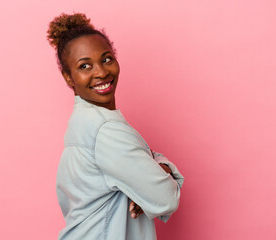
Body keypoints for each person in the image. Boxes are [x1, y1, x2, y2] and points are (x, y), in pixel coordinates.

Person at [47, 12, 184, 240]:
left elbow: (149, 187)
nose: (101, 72)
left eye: (106, 59)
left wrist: (145, 181)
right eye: (85, 66)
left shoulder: (83, 123)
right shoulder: (105, 129)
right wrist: (156, 174)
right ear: (68, 78)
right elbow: (166, 198)